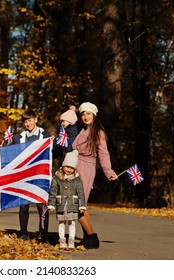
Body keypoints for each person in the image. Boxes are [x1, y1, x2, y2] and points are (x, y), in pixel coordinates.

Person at [72, 102, 118, 248]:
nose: (85, 117)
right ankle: (87, 236)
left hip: (86, 168)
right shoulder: (82, 130)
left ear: (94, 115)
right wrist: (72, 110)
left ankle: (92, 237)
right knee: (80, 204)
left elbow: (103, 153)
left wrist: (108, 171)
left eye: (88, 114)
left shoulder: (98, 132)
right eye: (83, 114)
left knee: (77, 204)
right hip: (75, 167)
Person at [11, 109, 51, 241]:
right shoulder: (18, 138)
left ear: (35, 120)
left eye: (29, 120)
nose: (27, 124)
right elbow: (11, 154)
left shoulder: (46, 136)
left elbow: (52, 154)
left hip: (40, 175)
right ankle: (23, 231)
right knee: (23, 205)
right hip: (24, 176)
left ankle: (43, 233)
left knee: (42, 205)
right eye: (25, 121)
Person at [47, 150, 86, 249]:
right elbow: (53, 191)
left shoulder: (77, 179)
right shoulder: (57, 178)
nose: (69, 170)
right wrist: (51, 204)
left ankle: (71, 240)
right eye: (68, 167)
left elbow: (81, 193)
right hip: (61, 204)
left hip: (72, 204)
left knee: (72, 223)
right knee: (61, 223)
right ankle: (62, 240)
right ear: (63, 166)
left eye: (72, 168)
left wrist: (82, 205)